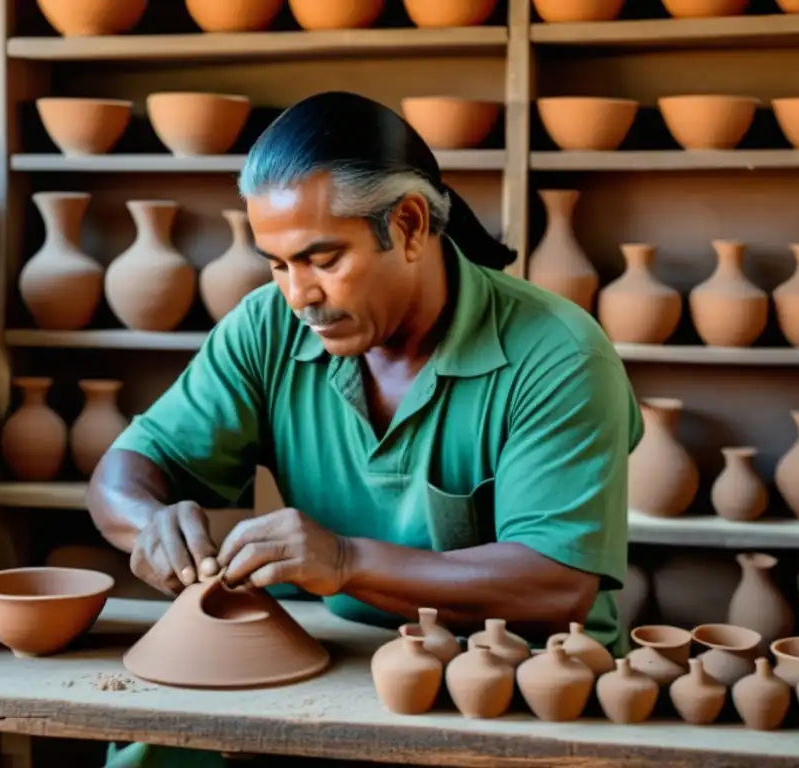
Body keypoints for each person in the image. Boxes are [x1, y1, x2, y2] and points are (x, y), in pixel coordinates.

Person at [87, 91, 642, 768]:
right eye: (278, 263)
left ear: (408, 225)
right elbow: (125, 470)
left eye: (323, 259)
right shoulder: (267, 326)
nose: (300, 296)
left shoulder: (556, 354)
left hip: (517, 676)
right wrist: (148, 521)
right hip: (331, 650)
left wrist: (346, 562)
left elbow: (555, 584)